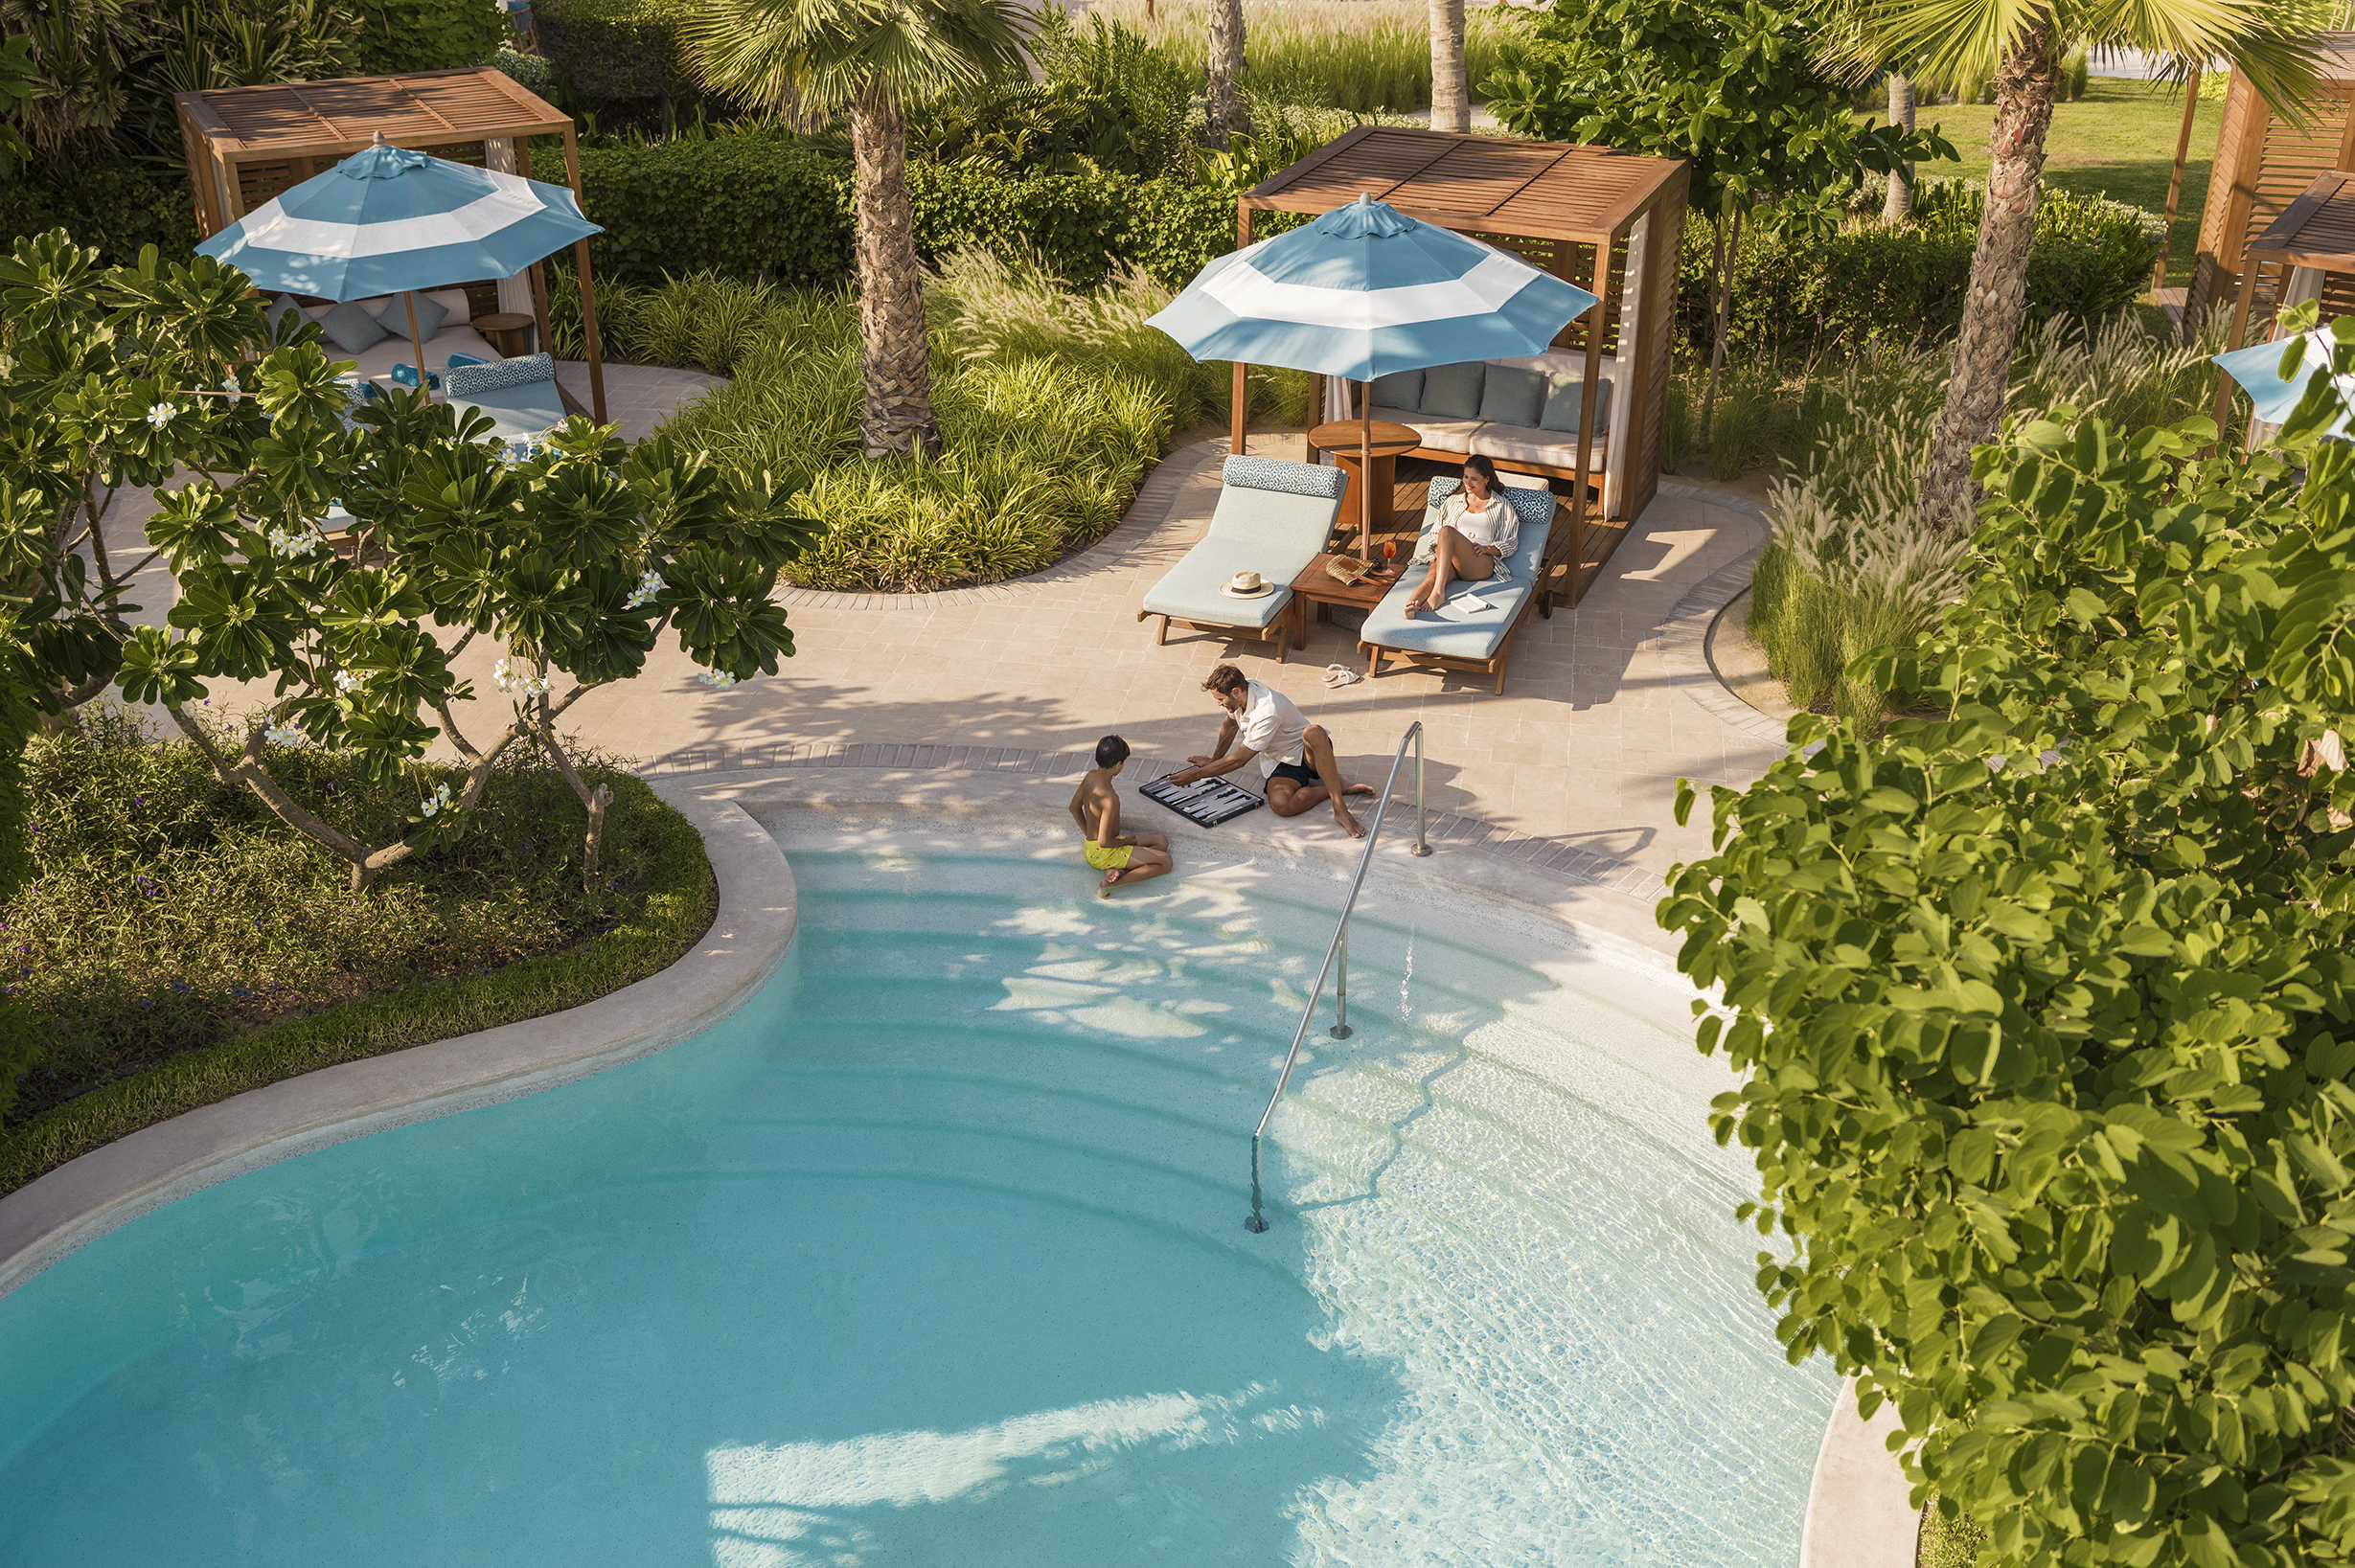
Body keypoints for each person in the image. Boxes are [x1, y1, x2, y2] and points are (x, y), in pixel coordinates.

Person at [1163, 665, 1377, 838]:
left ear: (1235, 692)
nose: (1219, 704)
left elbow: (1238, 760)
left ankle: (1340, 808)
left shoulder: (1267, 712)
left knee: (1314, 732)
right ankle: (1336, 785)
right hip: (1279, 760)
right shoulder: (1242, 695)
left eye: (1221, 699)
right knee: (1282, 805)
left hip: (1307, 753)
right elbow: (1230, 725)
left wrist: (1195, 775)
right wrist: (1214, 760)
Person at [1403, 454, 1519, 618]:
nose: (1468, 483)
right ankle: (1411, 605)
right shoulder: (1453, 501)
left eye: (1474, 479)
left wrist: (1487, 549)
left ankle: (1438, 592)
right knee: (1430, 578)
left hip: (1479, 561)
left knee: (1447, 531)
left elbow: (1511, 542)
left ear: (1487, 479)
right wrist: (1439, 550)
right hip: (1452, 559)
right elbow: (1435, 533)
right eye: (1465, 477)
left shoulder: (1501, 505)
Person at [1067, 735, 1172, 897]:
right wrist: (1126, 841)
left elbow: (1074, 808)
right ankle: (1113, 884)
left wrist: (1089, 836)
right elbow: (1104, 842)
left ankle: (1116, 871)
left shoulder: (1090, 776)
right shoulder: (1110, 798)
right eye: (1123, 762)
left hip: (1092, 848)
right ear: (1117, 765)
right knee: (1166, 862)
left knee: (1161, 842)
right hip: (1106, 852)